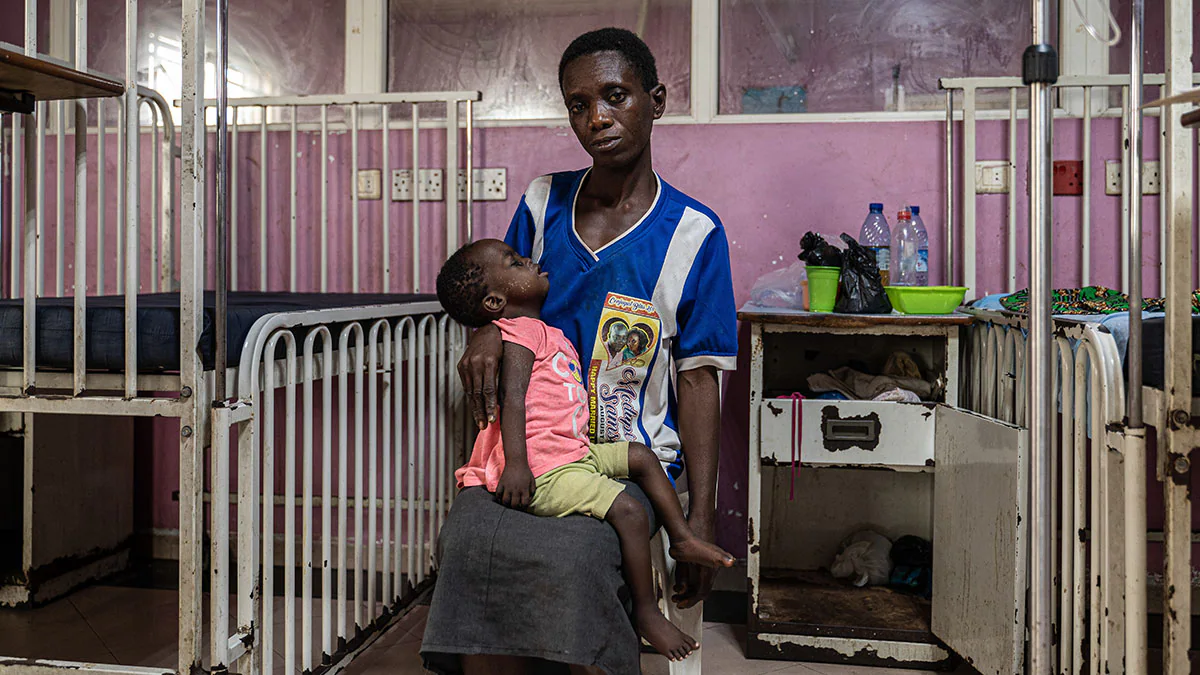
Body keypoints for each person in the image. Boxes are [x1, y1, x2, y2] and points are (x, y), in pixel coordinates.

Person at [422, 27, 737, 675]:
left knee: (577, 554)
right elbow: (495, 295)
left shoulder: (695, 233)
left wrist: (699, 514)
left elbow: (700, 380)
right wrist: (482, 332)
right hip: (536, 448)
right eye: (577, 104)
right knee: (469, 541)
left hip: (631, 454)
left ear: (656, 100)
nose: (596, 118)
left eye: (615, 96)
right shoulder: (543, 202)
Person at [433, 238, 734, 661]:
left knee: (642, 459)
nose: (531, 261)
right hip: (545, 464)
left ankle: (682, 538)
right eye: (517, 263)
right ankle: (646, 613)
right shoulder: (521, 334)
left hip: (573, 450)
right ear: (497, 300)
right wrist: (517, 466)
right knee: (626, 512)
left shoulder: (545, 332)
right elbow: (513, 399)